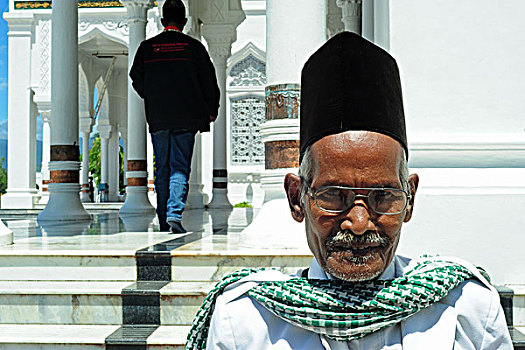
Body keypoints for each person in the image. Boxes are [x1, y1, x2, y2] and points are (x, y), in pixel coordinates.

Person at [186, 32, 513, 349]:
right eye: (334, 196)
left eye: (382, 196)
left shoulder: (468, 309)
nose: (358, 223)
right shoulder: (246, 322)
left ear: (409, 198)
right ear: (296, 198)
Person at [130, 0, 219, 233]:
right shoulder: (193, 48)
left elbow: (136, 78)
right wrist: (212, 109)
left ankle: (163, 218)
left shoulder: (148, 48)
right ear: (184, 22)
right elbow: (209, 82)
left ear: (162, 21)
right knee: (179, 167)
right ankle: (173, 214)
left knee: (163, 168)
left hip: (159, 117)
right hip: (186, 118)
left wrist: (152, 96)